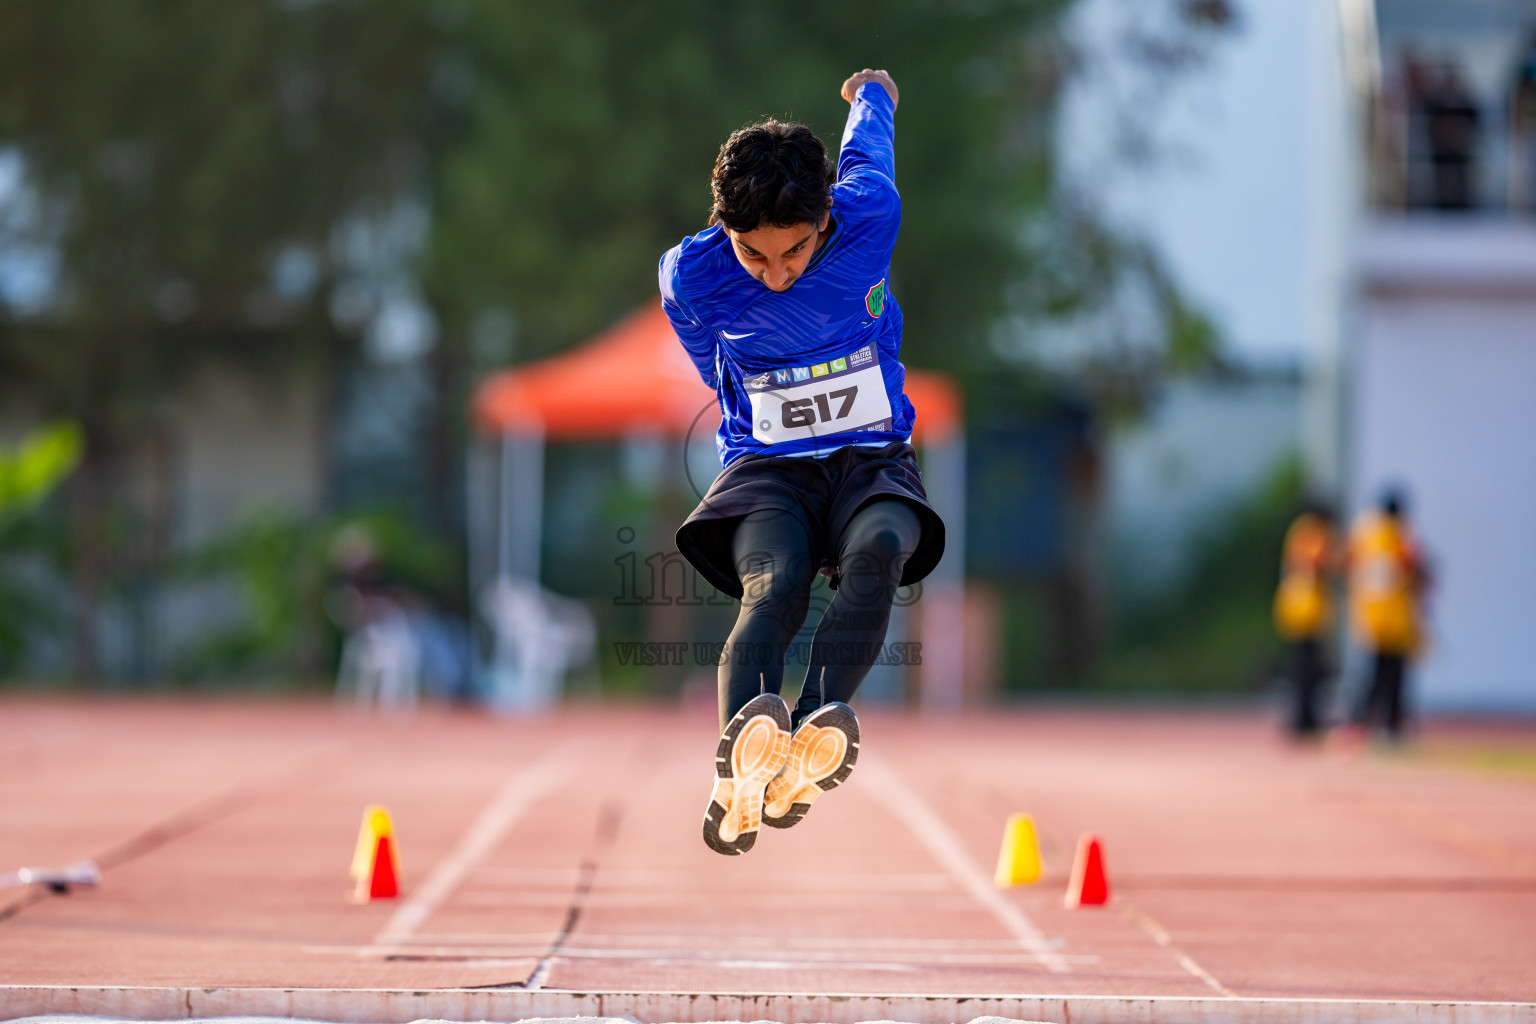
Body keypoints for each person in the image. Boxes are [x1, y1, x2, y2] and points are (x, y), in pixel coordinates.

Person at [660, 69, 945, 855]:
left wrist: (876, 94)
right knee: (776, 585)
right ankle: (739, 769)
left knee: (884, 547)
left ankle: (800, 749)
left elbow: (869, 149)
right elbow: (708, 363)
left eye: (794, 251)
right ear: (725, 229)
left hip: (870, 458)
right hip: (769, 469)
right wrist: (766, 409)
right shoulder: (693, 276)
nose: (776, 272)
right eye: (754, 254)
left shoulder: (868, 216)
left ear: (827, 220)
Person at [1346, 488, 1430, 741]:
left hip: (1370, 615)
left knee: (1371, 674)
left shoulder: (1363, 532)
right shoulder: (1400, 535)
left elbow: (1348, 565)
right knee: (1395, 675)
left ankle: (1360, 722)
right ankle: (1392, 724)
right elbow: (1414, 567)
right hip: (1395, 616)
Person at [1272, 501, 1339, 740]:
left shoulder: (1300, 530)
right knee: (1307, 669)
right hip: (1305, 609)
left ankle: (1306, 718)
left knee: (1307, 668)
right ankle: (1304, 720)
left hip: (1301, 608)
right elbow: (1316, 561)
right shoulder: (1312, 532)